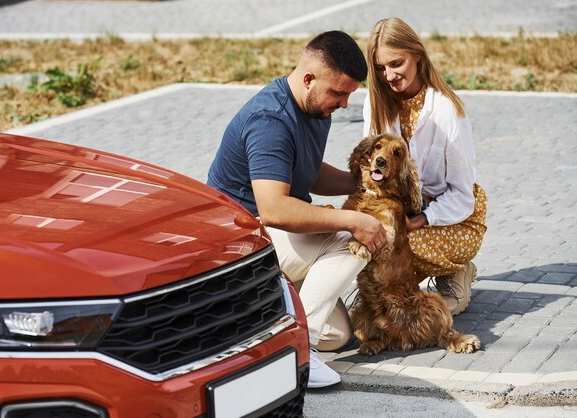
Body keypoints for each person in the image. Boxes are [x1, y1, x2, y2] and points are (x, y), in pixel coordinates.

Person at [207, 30, 386, 388]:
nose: (344, 104)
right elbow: (274, 209)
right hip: (239, 243)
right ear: (308, 79)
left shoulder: (316, 107)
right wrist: (352, 218)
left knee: (336, 335)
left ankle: (261, 311)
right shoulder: (270, 120)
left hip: (271, 238)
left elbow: (310, 171)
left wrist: (367, 183)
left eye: (349, 94)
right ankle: (300, 350)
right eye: (339, 92)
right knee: (355, 239)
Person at [362, 17, 488, 316]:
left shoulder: (446, 111)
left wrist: (420, 219)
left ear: (417, 55)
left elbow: (462, 195)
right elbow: (372, 175)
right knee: (368, 242)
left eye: (396, 63)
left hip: (454, 219)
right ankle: (400, 289)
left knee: (398, 247)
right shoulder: (375, 103)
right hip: (401, 212)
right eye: (380, 68)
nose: (388, 75)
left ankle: (456, 271)